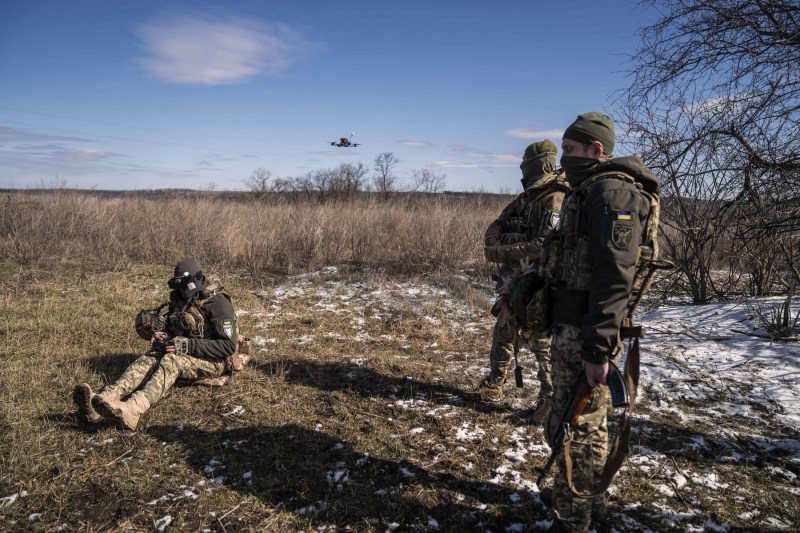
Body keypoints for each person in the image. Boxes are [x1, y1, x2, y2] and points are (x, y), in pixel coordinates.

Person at [542, 112, 660, 532]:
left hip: (587, 333)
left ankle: (572, 521)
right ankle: (590, 506)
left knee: (574, 427)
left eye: (570, 149)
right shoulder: (593, 190)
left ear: (596, 149)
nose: (564, 158)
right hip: (580, 328)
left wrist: (596, 349)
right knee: (584, 423)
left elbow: (614, 277)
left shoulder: (612, 193)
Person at [73, 258, 248, 430]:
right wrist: (164, 335)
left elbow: (227, 346)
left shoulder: (218, 303)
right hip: (188, 348)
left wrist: (188, 346)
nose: (181, 290)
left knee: (172, 361)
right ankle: (106, 398)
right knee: (154, 354)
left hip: (215, 360)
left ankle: (133, 409)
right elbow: (176, 328)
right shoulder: (180, 297)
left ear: (195, 280)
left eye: (184, 285)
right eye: (178, 286)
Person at [471, 139, 569, 423]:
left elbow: (543, 244)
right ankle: (495, 382)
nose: (523, 169)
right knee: (504, 328)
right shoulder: (528, 197)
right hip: (516, 282)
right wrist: (495, 240)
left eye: (527, 164)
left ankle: (550, 400)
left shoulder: (555, 197)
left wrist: (500, 251)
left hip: (541, 284)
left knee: (541, 341)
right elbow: (498, 223)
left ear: (538, 165)